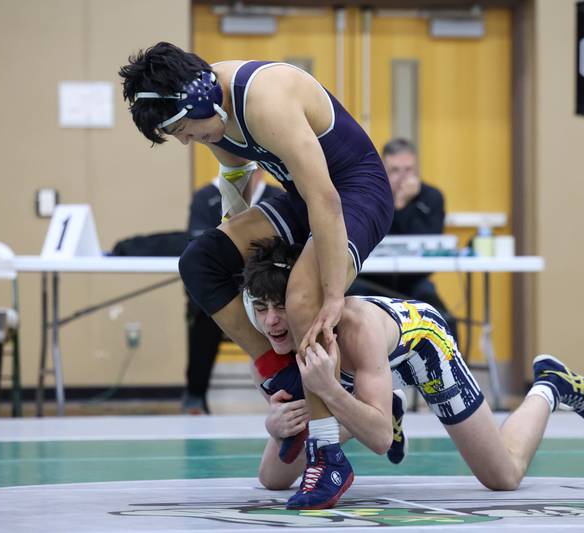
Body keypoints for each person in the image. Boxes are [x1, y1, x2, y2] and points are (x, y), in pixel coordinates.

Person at [120, 42, 393, 507]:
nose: (187, 141)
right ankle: (287, 378)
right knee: (200, 260)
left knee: (305, 300)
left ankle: (327, 452)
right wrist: (239, 245)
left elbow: (325, 199)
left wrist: (331, 294)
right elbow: (235, 175)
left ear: (201, 100)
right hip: (302, 195)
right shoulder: (208, 111)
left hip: (352, 192)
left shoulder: (264, 98)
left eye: (184, 130)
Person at [241, 237, 584, 510]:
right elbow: (272, 479)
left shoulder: (356, 329)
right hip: (365, 373)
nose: (271, 321)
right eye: (261, 308)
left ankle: (549, 385)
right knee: (275, 480)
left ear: (304, 302)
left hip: (422, 346)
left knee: (504, 477)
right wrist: (276, 430)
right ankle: (381, 401)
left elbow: (381, 440)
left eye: (282, 307)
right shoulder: (269, 351)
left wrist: (331, 393)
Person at [183, 168, 280, 415]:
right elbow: (203, 247)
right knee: (204, 314)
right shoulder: (206, 196)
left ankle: (306, 385)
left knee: (295, 306)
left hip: (270, 287)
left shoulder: (276, 195)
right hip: (228, 287)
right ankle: (195, 393)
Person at [348, 138, 458, 339]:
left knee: (445, 319)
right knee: (348, 311)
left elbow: (429, 241)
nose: (402, 177)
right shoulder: (368, 196)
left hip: (413, 280)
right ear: (383, 169)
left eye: (408, 170)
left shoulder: (432, 196)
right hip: (371, 279)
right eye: (395, 170)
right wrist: (397, 205)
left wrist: (404, 205)